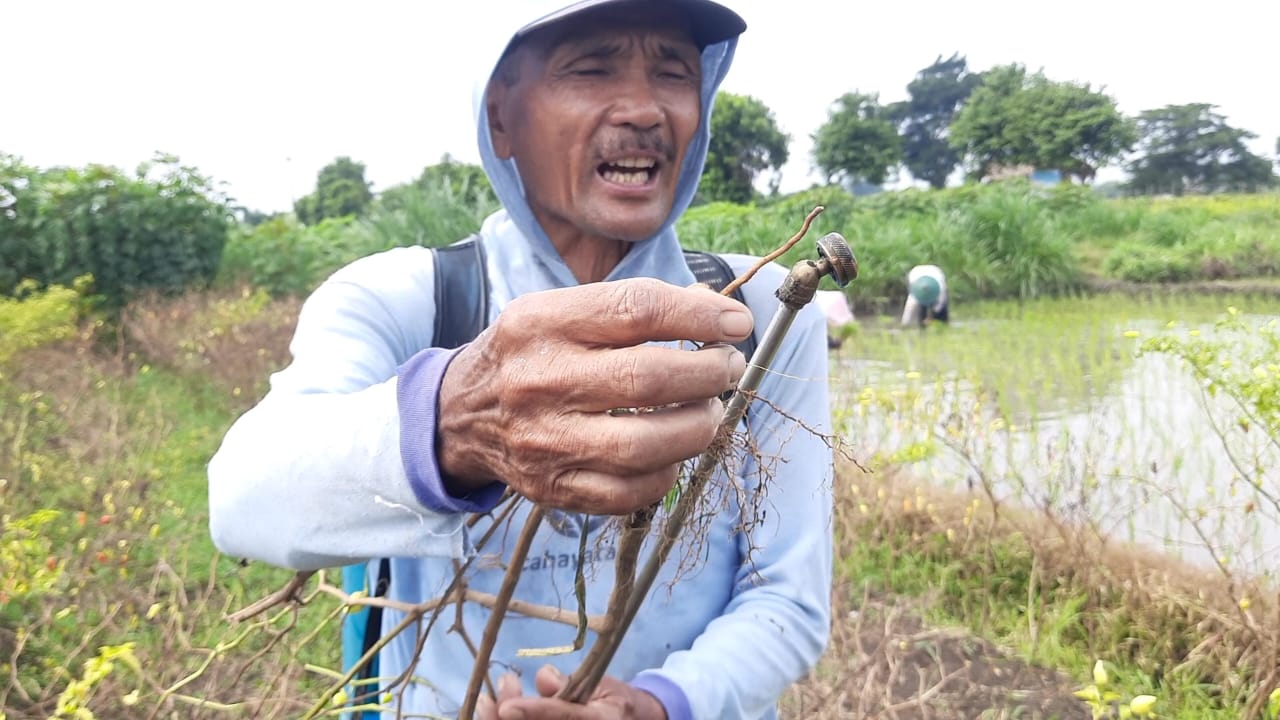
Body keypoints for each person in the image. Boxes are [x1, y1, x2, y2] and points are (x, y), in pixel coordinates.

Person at [207, 1, 833, 718]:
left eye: (674, 72)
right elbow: (244, 499)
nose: (643, 109)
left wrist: (655, 704)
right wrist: (455, 423)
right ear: (500, 117)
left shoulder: (762, 314)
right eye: (591, 67)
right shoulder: (408, 302)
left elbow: (788, 598)